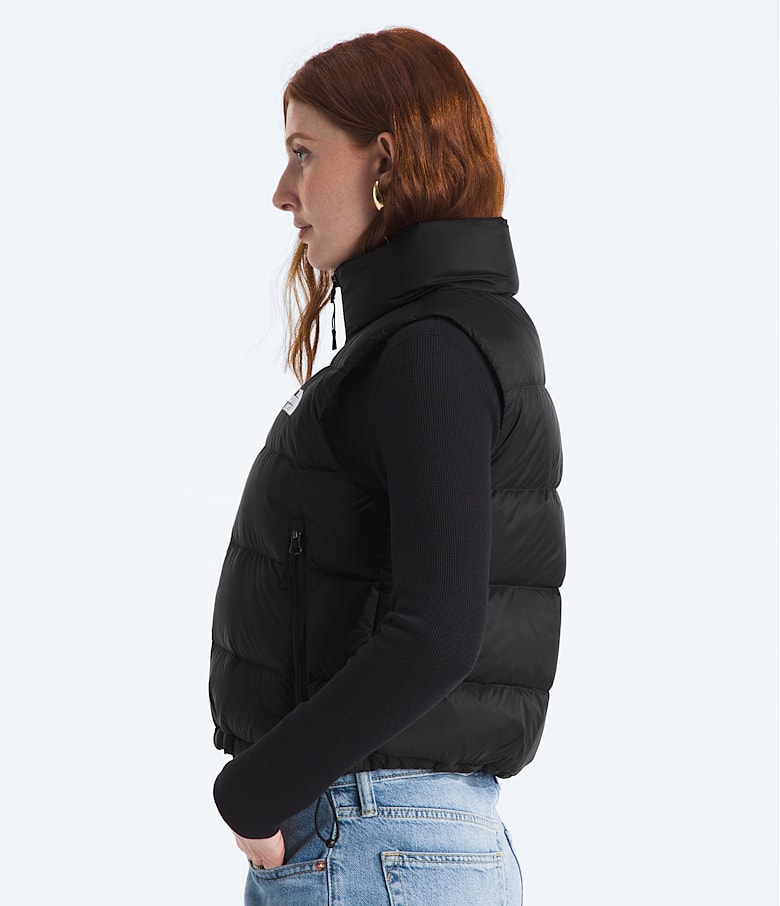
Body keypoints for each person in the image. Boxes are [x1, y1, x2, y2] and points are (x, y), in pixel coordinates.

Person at [209, 27, 565, 906]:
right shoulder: (435, 338)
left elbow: (439, 632)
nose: (282, 190)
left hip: (374, 840)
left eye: (303, 153)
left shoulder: (431, 350)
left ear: (386, 160)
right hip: (392, 841)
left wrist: (254, 790)